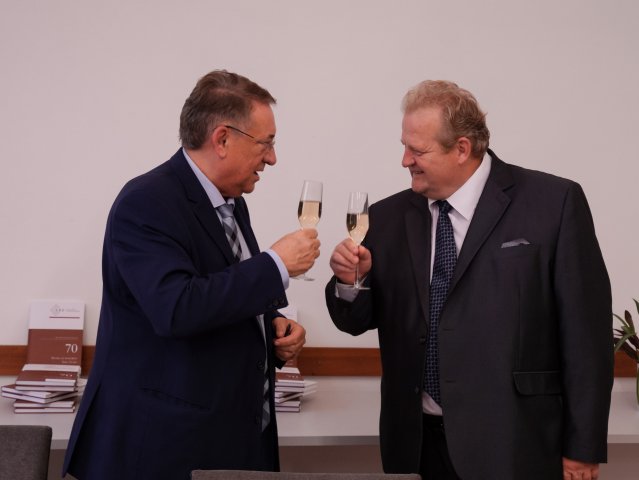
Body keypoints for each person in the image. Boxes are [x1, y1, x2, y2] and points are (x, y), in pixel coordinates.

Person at [325, 80, 613, 480]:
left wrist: (582, 448)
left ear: (461, 148)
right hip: (415, 447)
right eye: (404, 146)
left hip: (515, 444)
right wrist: (349, 281)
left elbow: (586, 337)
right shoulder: (386, 217)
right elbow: (355, 321)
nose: (405, 160)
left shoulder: (554, 203)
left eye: (417, 150)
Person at [63, 70, 320, 480]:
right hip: (163, 449)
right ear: (223, 139)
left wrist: (271, 325)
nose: (272, 158)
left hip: (230, 438)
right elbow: (176, 307)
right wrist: (275, 264)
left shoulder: (232, 202)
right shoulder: (146, 201)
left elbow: (216, 292)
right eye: (266, 143)